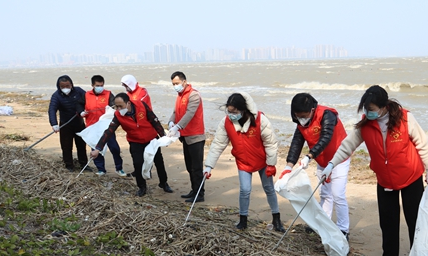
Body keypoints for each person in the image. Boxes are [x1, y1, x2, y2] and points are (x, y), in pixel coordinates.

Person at [326, 85, 428, 256]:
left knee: (415, 219)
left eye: (372, 109)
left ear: (384, 107)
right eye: (366, 109)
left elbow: (422, 143)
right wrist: (331, 164)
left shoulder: (405, 118)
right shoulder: (366, 124)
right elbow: (347, 145)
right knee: (388, 220)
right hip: (384, 179)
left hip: (410, 176)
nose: (368, 113)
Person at [203, 93, 285, 231]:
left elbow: (271, 143)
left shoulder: (260, 120)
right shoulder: (226, 122)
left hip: (263, 161)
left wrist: (271, 164)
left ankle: (276, 219)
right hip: (243, 162)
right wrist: (209, 166)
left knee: (269, 188)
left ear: (243, 110)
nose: (231, 115)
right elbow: (218, 144)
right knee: (245, 190)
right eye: (229, 112)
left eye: (234, 112)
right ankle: (243, 220)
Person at [280, 93, 350, 239]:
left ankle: (343, 229)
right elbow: (297, 142)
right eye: (298, 116)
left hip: (339, 158)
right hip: (322, 160)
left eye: (304, 116)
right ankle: (323, 223)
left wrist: (309, 156)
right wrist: (288, 166)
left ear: (312, 110)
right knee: (325, 194)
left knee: (337, 194)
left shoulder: (327, 115)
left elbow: (326, 137)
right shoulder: (301, 122)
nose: (301, 119)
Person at [90, 93, 173, 197]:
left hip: (151, 139)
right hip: (135, 142)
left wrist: (163, 137)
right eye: (116, 106)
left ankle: (163, 183)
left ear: (128, 103)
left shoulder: (141, 105)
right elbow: (109, 131)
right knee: (138, 164)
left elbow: (154, 120)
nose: (118, 109)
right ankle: (142, 187)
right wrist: (98, 148)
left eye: (120, 106)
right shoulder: (118, 115)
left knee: (158, 161)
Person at [168, 71, 206, 203]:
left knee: (196, 167)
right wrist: (171, 122)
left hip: (196, 136)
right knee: (189, 166)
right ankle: (194, 190)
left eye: (177, 83)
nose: (175, 86)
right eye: (173, 84)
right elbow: (175, 112)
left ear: (184, 81)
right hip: (185, 136)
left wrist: (177, 127)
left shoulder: (194, 95)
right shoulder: (179, 95)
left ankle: (199, 194)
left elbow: (190, 113)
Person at [78, 75, 126, 177]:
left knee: (114, 148)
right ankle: (101, 169)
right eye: (97, 85)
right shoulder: (86, 95)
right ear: (92, 85)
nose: (100, 87)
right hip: (92, 126)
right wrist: (81, 112)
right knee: (95, 149)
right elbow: (79, 104)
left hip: (106, 126)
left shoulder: (108, 94)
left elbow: (115, 106)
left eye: (101, 85)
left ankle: (119, 168)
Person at [48, 75, 90, 172]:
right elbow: (52, 110)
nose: (65, 88)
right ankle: (69, 165)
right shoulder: (56, 96)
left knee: (81, 145)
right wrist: (54, 124)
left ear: (71, 84)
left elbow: (88, 99)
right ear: (59, 86)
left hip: (79, 123)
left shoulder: (78, 91)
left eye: (67, 86)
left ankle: (84, 164)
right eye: (62, 86)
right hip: (65, 124)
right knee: (66, 146)